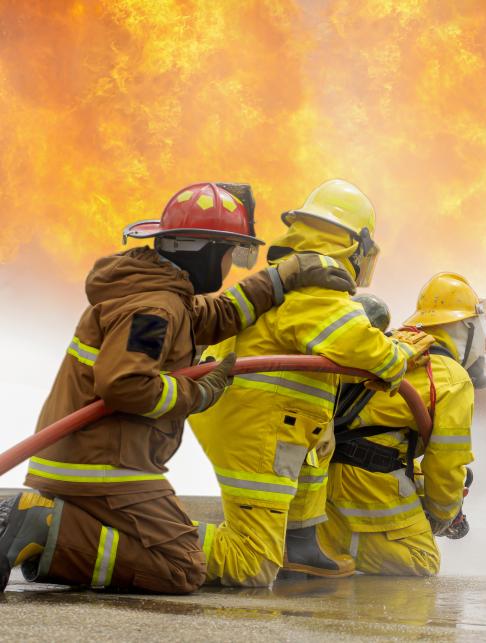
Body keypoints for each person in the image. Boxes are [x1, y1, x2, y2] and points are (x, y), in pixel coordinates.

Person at [0, 182, 354, 593]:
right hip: (105, 468)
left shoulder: (163, 293)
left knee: (157, 551)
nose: (230, 267)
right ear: (206, 252)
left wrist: (280, 279)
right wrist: (198, 394)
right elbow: (127, 384)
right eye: (229, 254)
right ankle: (45, 527)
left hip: (89, 458)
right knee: (181, 568)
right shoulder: (153, 310)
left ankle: (52, 526)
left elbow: (218, 314)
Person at [189, 180, 433, 587]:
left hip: (281, 422)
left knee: (315, 456)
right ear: (356, 246)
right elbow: (372, 354)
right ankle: (139, 535)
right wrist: (404, 351)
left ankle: (299, 547)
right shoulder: (319, 286)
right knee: (251, 564)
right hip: (257, 428)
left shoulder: (302, 276)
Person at [299, 273, 486, 576]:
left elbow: (388, 438)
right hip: (360, 482)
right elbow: (446, 463)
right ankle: (330, 545)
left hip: (322, 472)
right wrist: (444, 515)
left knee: (418, 481)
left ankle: (323, 538)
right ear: (466, 327)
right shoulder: (451, 377)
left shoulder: (393, 347)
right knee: (422, 560)